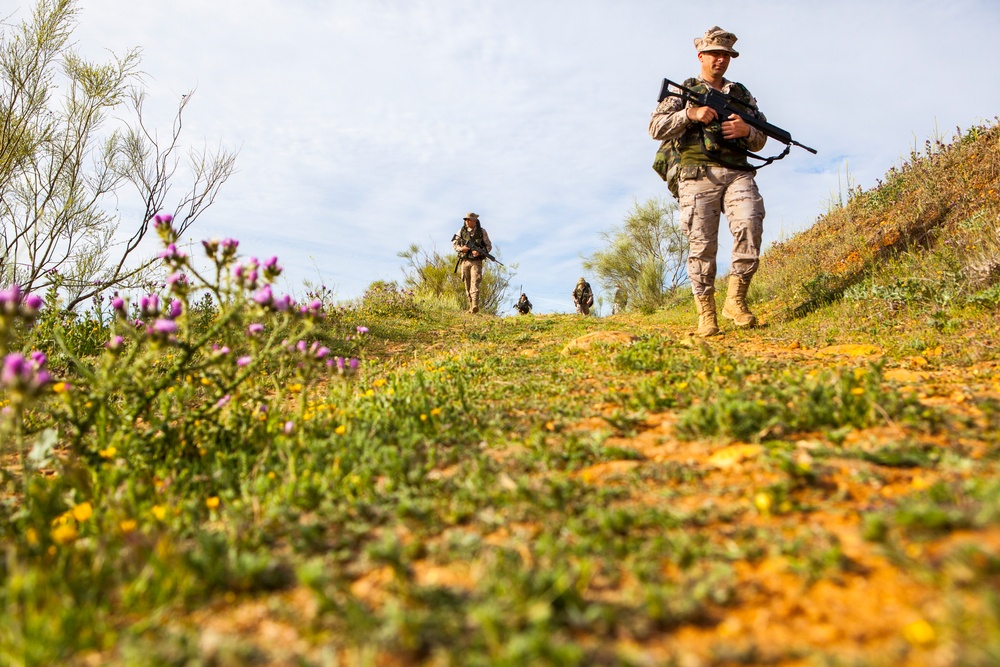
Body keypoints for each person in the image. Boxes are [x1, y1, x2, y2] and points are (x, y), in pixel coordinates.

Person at [648, 26, 766, 336]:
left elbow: (761, 138)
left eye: (726, 55)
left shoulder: (741, 95)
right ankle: (707, 315)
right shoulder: (684, 91)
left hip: (737, 172)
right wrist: (691, 114)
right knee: (702, 247)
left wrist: (747, 132)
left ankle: (736, 302)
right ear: (701, 56)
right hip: (698, 175)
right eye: (715, 54)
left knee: (749, 225)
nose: (721, 60)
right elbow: (655, 127)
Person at [452, 212, 493, 314]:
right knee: (467, 283)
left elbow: (489, 246)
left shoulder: (481, 232)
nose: (466, 221)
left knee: (475, 282)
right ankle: (470, 306)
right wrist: (462, 248)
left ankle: (475, 304)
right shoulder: (461, 231)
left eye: (468, 220)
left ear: (474, 221)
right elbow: (454, 244)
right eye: (466, 220)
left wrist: (479, 252)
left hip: (476, 262)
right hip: (465, 261)